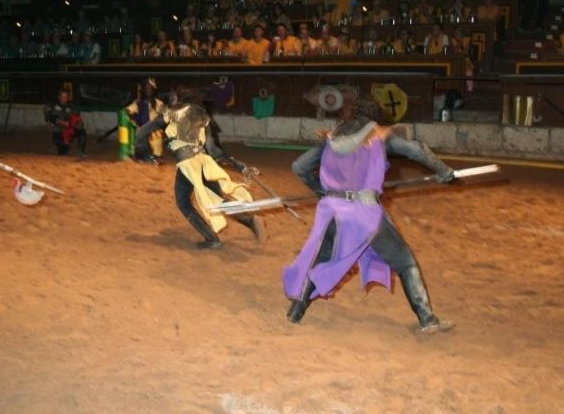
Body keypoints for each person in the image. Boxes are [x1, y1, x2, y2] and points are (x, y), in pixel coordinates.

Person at [285, 94, 455, 334]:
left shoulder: (330, 138)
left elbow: (299, 167)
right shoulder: (379, 136)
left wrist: (322, 191)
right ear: (374, 118)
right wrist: (443, 171)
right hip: (363, 212)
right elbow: (417, 150)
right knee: (405, 262)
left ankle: (295, 312)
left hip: (332, 212)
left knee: (322, 260)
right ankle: (428, 319)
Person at [164, 88, 267, 249]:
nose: (171, 101)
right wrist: (239, 166)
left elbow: (168, 141)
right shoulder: (203, 117)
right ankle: (250, 220)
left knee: (183, 202)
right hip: (204, 163)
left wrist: (169, 144)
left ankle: (212, 239)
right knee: (219, 201)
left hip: (188, 166)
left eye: (173, 98)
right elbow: (213, 150)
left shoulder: (174, 115)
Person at [127, 78, 166, 163]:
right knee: (140, 133)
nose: (148, 90)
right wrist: (135, 122)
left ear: (154, 90)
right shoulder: (138, 102)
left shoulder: (159, 103)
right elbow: (129, 111)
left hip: (154, 130)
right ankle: (142, 157)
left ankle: (154, 157)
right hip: (142, 128)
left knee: (155, 134)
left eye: (150, 88)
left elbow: (163, 118)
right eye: (146, 88)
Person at [43, 87, 86, 156]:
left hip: (69, 129)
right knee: (62, 151)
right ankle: (65, 145)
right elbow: (48, 117)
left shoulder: (72, 107)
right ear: (59, 97)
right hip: (58, 130)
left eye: (66, 97)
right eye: (62, 97)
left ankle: (81, 152)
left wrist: (79, 124)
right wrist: (59, 121)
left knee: (82, 131)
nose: (64, 99)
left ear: (68, 98)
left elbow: (78, 120)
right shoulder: (52, 105)